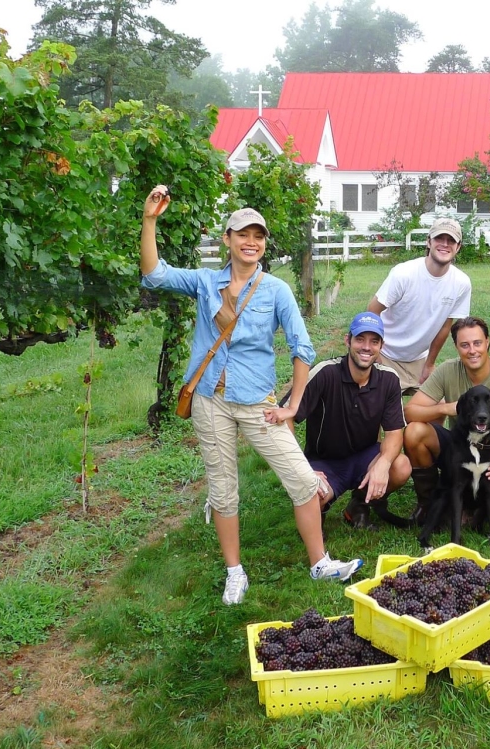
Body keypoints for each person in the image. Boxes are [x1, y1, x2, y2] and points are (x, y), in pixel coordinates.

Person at [139, 186, 363, 606]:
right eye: (243, 233)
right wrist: (149, 220)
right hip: (210, 400)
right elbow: (155, 274)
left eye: (258, 236)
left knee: (302, 478)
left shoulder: (276, 290)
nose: (251, 241)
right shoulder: (207, 283)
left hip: (258, 403)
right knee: (223, 489)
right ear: (227, 239)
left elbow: (302, 348)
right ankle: (234, 572)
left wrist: (293, 405)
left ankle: (320, 562)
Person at [403, 316, 490, 518]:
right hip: (459, 448)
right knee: (414, 431)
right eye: (465, 345)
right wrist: (445, 408)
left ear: (487, 342)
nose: (472, 350)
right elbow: (410, 411)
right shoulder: (447, 370)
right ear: (457, 347)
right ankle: (429, 503)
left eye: (477, 343)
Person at [292, 311, 411, 530]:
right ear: (347, 340)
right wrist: (297, 466)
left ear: (381, 346)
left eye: (374, 341)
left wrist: (383, 464)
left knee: (401, 466)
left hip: (364, 458)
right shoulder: (325, 373)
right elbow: (286, 418)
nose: (367, 347)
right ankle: (323, 506)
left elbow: (395, 433)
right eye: (360, 339)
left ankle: (359, 503)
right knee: (311, 495)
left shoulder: (389, 379)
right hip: (324, 461)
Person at [367, 217, 472, 393]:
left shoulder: (462, 283)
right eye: (439, 238)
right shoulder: (404, 274)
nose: (445, 244)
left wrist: (429, 363)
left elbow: (445, 327)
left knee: (439, 407)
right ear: (428, 242)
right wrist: (375, 354)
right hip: (386, 355)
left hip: (419, 359)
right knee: (381, 414)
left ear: (458, 247)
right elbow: (372, 311)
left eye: (451, 240)